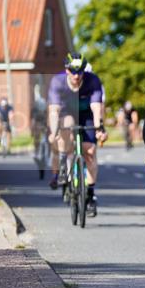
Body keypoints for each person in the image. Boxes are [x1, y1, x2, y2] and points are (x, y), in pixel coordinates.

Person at [47, 53, 108, 216]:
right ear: (66, 70)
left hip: (87, 114)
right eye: (73, 71)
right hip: (66, 112)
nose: (76, 75)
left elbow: (97, 108)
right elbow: (54, 111)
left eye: (80, 71)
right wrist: (54, 132)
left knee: (90, 151)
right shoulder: (57, 82)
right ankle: (62, 163)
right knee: (66, 126)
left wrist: (100, 129)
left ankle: (90, 194)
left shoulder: (92, 80)